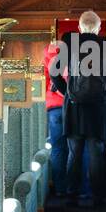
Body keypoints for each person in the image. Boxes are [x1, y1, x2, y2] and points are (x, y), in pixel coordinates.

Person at [49, 10, 106, 209]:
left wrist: (67, 91)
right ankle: (98, 198)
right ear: (99, 28)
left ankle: (71, 196)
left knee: (74, 153)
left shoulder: (70, 43)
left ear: (79, 27)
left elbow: (54, 72)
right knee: (97, 153)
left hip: (74, 107)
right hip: (99, 108)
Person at [42, 38, 67, 198]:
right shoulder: (77, 53)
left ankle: (60, 189)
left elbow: (44, 80)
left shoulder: (47, 54)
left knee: (57, 147)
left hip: (54, 106)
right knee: (78, 147)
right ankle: (79, 190)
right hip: (74, 104)